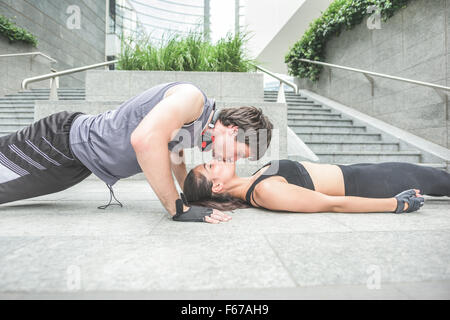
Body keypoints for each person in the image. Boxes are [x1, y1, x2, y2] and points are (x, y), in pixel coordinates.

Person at [0, 81, 273, 223]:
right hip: (59, 143)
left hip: (76, 164)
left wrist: (189, 197)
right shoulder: (192, 99)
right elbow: (144, 140)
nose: (233, 161)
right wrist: (176, 208)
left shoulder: (199, 125)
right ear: (234, 130)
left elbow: (174, 155)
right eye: (240, 154)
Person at [183, 159, 450, 214]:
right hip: (369, 185)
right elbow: (331, 203)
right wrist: (396, 204)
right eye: (209, 167)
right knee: (440, 180)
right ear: (217, 187)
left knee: (437, 177)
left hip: (359, 170)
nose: (214, 161)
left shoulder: (255, 178)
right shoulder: (266, 191)